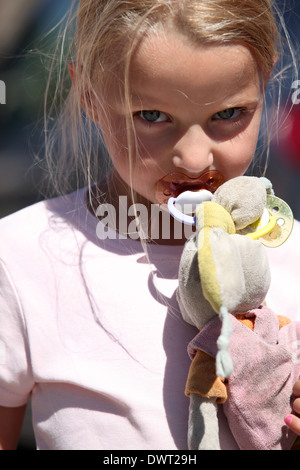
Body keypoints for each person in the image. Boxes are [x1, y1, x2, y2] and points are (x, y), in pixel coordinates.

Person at [0, 0, 299, 450]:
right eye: (153, 117)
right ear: (89, 95)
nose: (195, 159)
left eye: (228, 114)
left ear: (265, 81)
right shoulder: (20, 260)